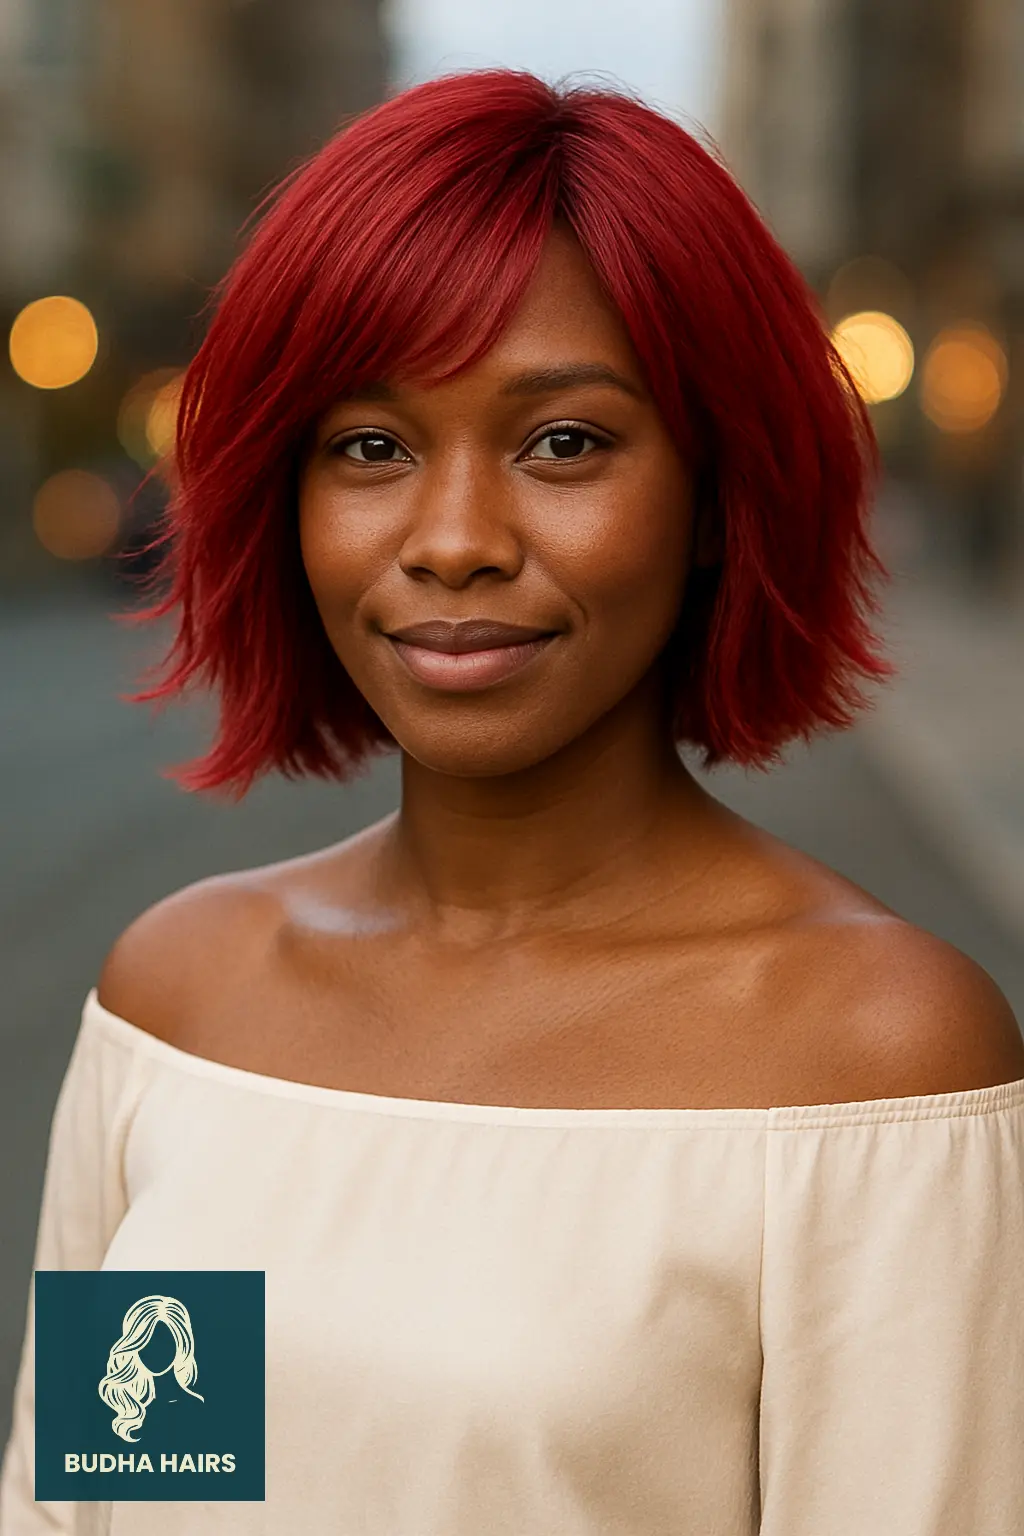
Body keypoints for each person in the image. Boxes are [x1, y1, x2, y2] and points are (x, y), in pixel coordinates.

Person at [3, 67, 1023, 1536]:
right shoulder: (190, 1002)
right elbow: (117, 1494)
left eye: (565, 444)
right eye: (369, 447)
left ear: (718, 500)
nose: (457, 539)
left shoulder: (868, 1059)